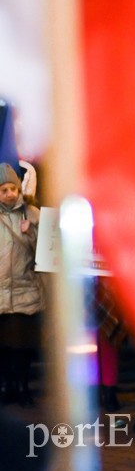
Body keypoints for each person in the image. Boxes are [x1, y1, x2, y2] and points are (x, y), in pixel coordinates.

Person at [0, 164, 42, 407]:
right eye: (4, 190)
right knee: (4, 349)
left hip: (25, 292)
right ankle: (7, 387)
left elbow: (45, 254)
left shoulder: (32, 214)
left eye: (13, 188)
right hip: (1, 294)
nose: (9, 194)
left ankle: (23, 388)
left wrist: (31, 233)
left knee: (22, 348)